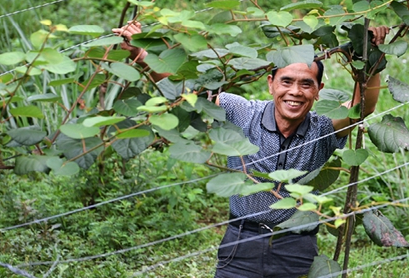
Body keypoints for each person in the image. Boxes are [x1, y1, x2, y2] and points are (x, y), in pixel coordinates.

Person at [114, 22, 389, 278]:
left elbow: (361, 107)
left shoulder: (322, 129)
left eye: (306, 84)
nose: (295, 91)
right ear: (270, 84)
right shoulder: (243, 112)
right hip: (241, 242)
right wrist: (142, 52)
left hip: (296, 247)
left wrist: (372, 58)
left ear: (319, 91)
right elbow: (188, 90)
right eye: (286, 81)